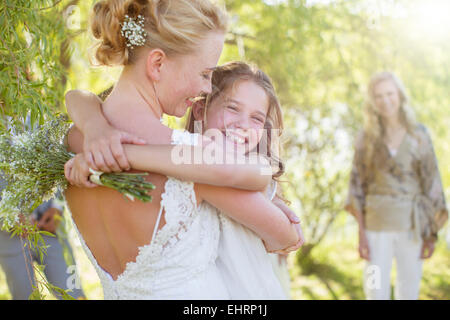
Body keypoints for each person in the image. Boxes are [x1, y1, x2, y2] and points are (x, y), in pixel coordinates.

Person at [63, 0, 301, 299]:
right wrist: (270, 200)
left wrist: (94, 123)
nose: (206, 89)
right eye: (204, 74)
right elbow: (284, 236)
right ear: (157, 64)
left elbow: (79, 97)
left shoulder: (75, 138)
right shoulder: (192, 159)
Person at [345, 71, 448, 300]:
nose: (385, 100)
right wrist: (361, 233)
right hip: (374, 226)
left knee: (409, 292)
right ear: (372, 101)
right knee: (374, 290)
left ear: (400, 95)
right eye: (378, 96)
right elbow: (356, 186)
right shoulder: (365, 137)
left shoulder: (419, 135)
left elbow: (431, 183)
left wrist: (430, 234)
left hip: (411, 225)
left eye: (390, 93)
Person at [0, 195, 85, 300]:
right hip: (9, 238)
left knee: (73, 292)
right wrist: (7, 215)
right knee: (23, 295)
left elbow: (62, 181)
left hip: (52, 229)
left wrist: (58, 206)